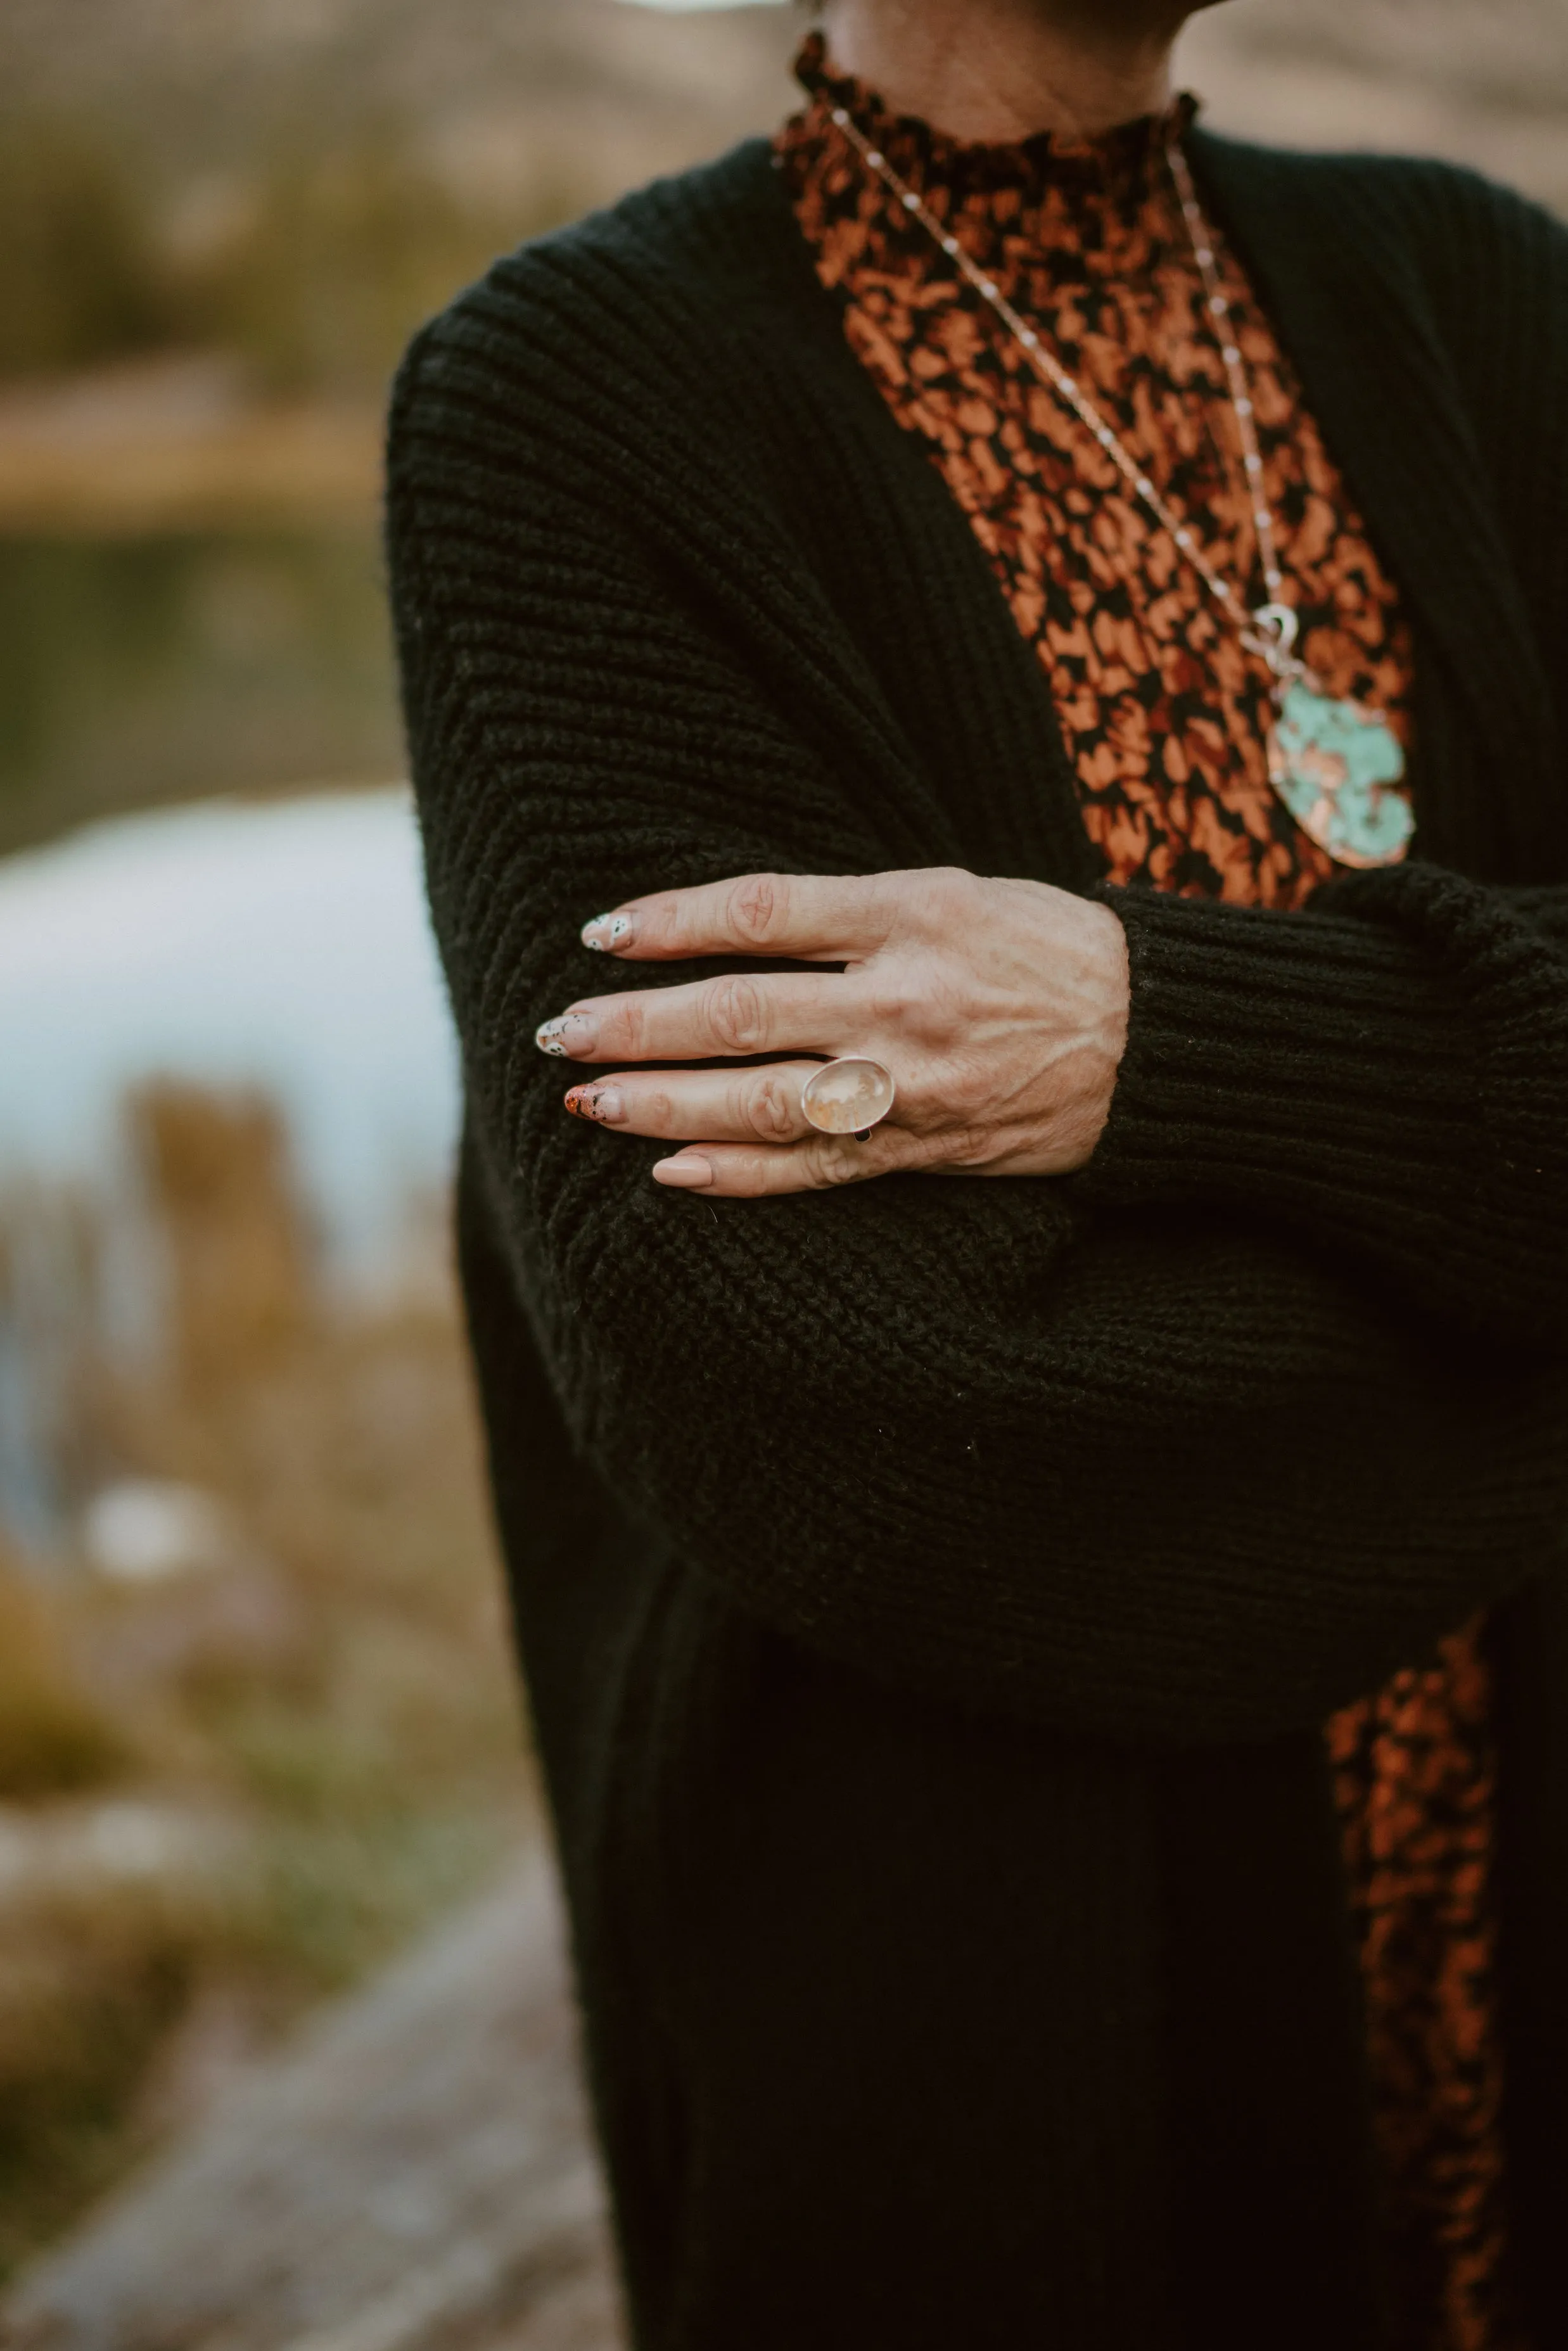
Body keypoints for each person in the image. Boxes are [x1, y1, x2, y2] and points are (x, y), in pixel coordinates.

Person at [385, 0, 1568, 2341]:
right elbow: (825, 1379)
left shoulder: (1480, 291)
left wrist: (1157, 1034)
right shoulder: (572, 397)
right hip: (985, 2013)